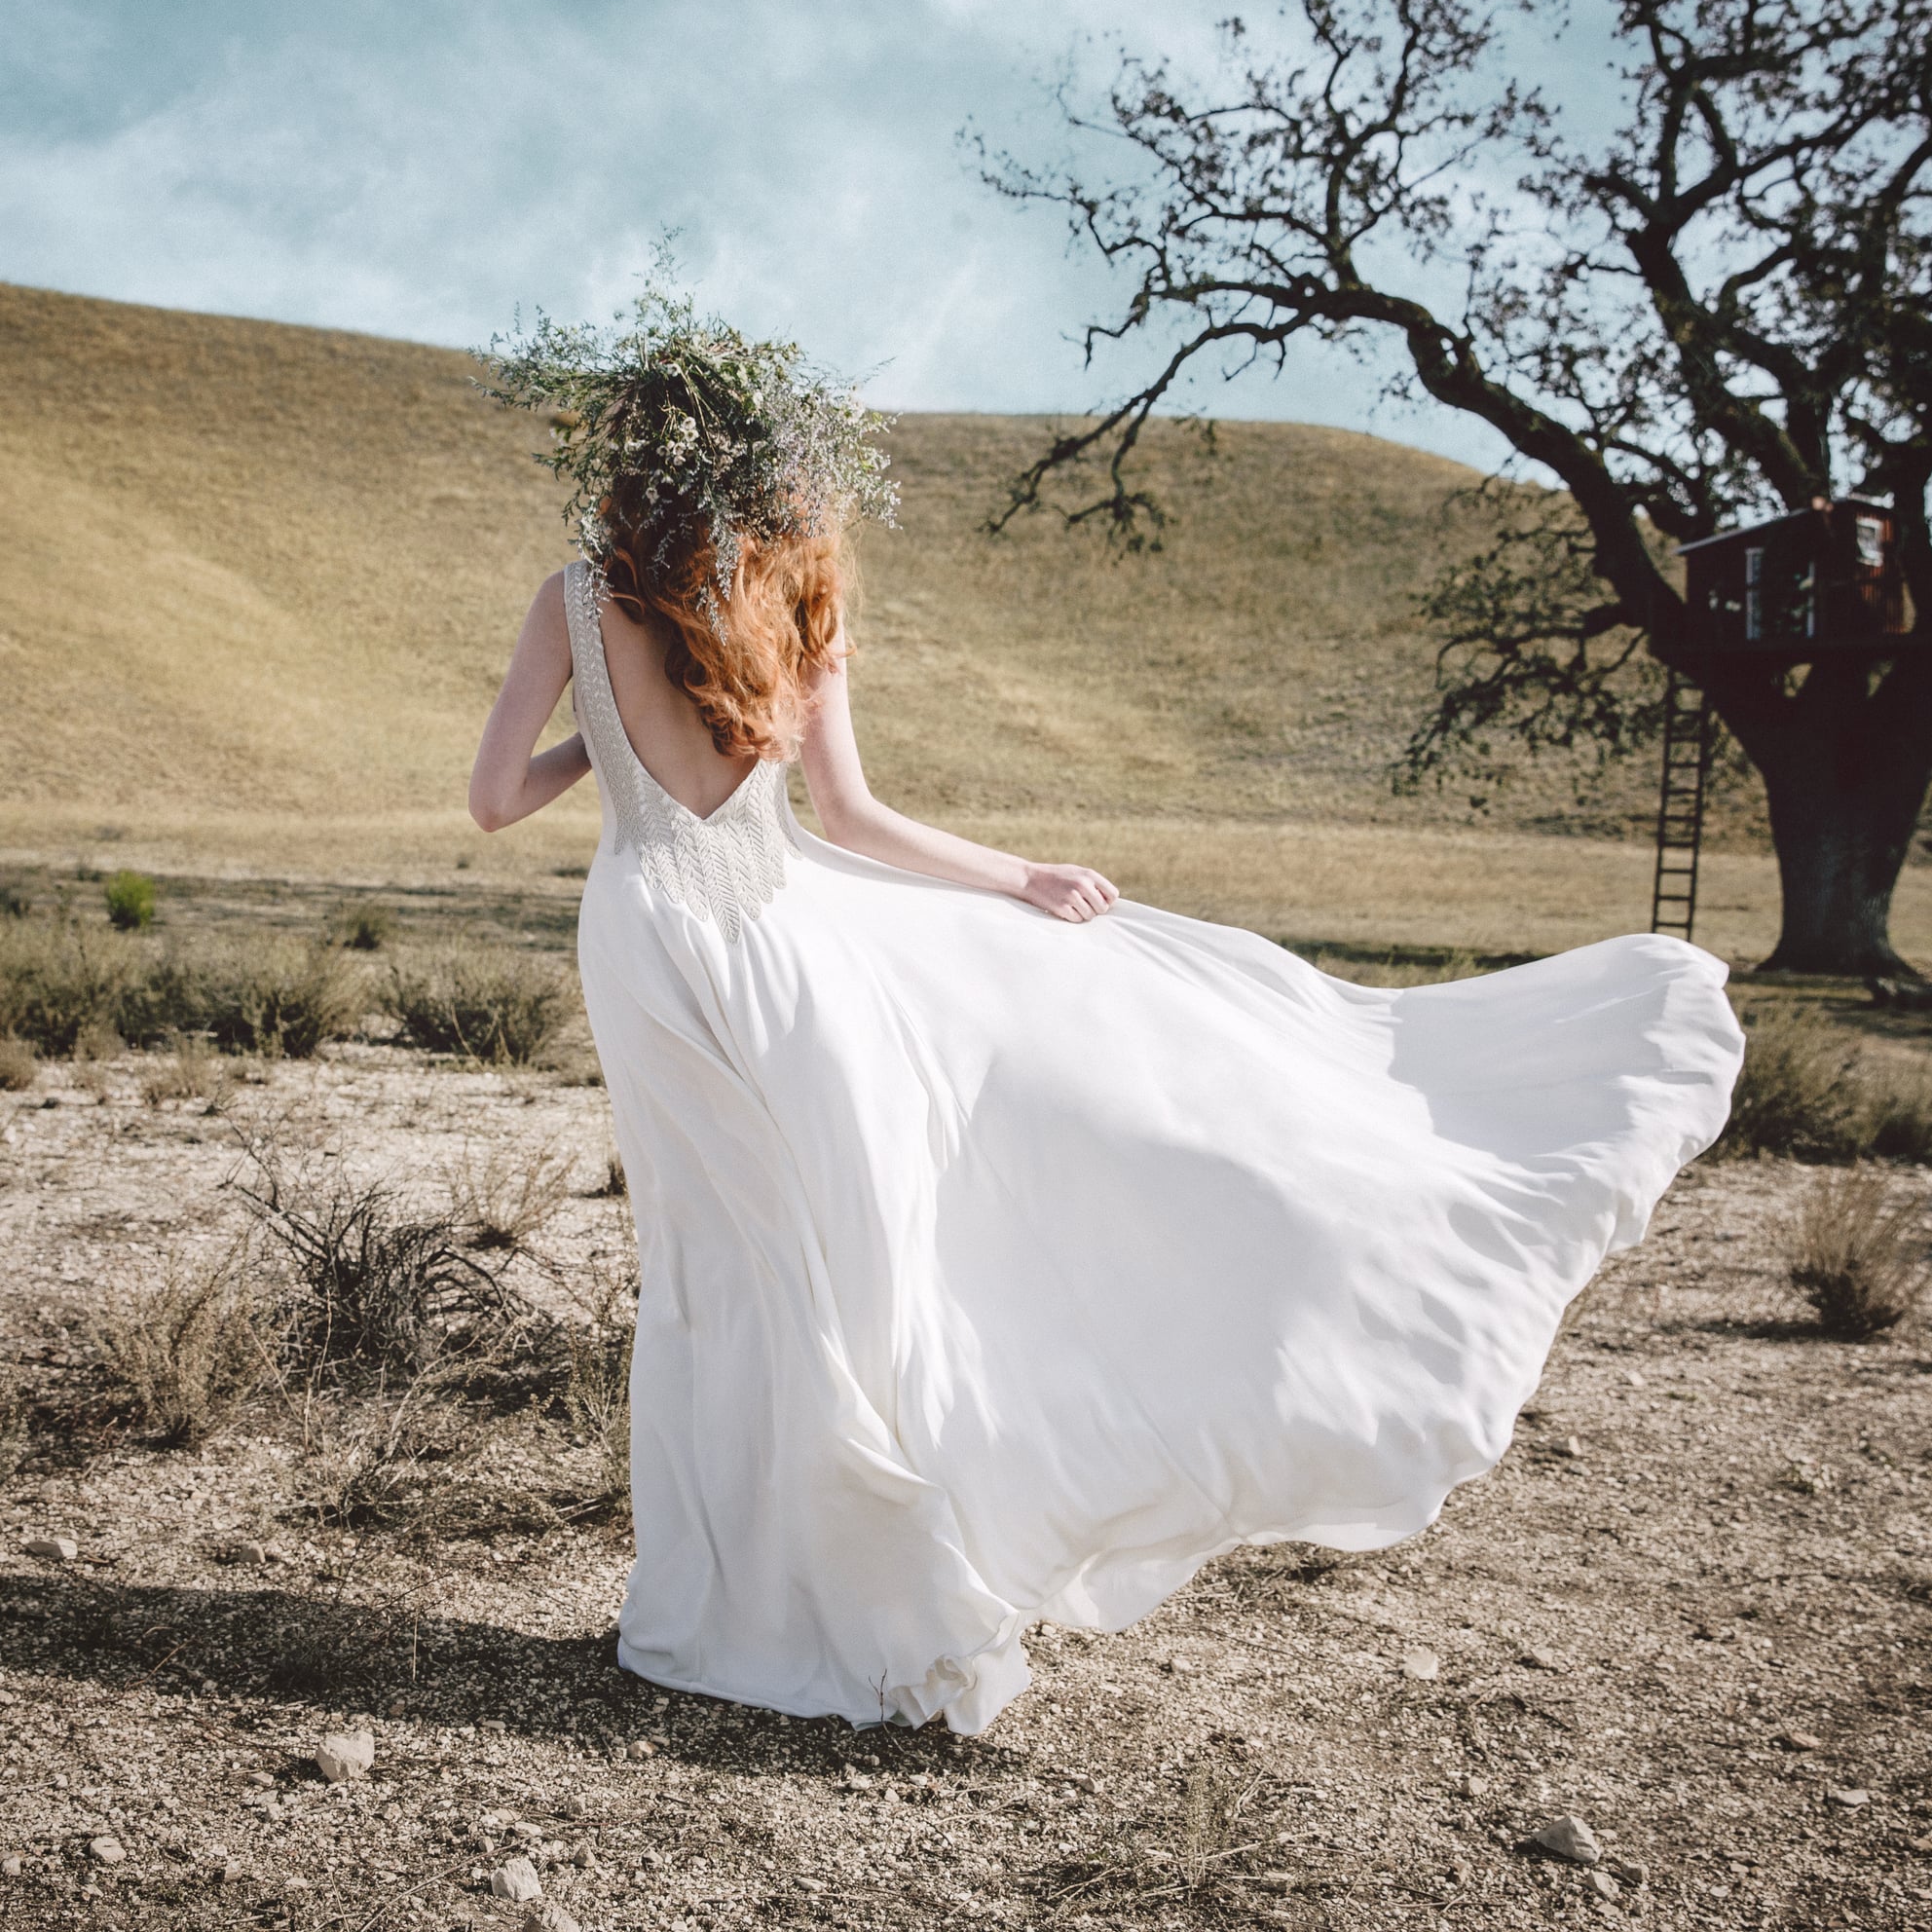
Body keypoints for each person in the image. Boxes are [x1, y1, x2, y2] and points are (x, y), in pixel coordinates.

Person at [467, 276, 1744, 1736]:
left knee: (713, 1269)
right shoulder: (797, 599)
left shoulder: (572, 598)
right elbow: (855, 815)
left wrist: (602, 744)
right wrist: (1022, 877)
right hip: (785, 947)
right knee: (839, 1265)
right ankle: (873, 1589)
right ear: (768, 469)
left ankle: (718, 1603)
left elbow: (496, 802)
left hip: (651, 939)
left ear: (631, 456)